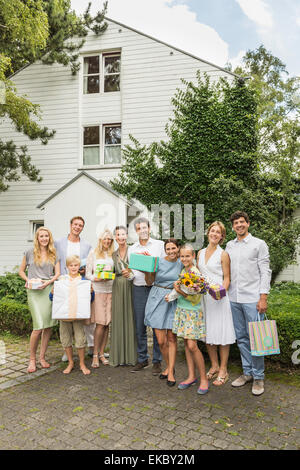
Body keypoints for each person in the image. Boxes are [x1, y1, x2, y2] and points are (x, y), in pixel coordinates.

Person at [226, 211, 271, 396]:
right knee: (242, 338)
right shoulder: (229, 245)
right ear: (233, 227)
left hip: (252, 299)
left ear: (248, 223)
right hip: (233, 299)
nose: (239, 225)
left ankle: (259, 377)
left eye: (242, 222)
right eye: (236, 223)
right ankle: (248, 373)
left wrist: (263, 297)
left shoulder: (259, 244)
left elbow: (265, 271)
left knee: (257, 339)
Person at [123, 217, 165, 374]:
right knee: (140, 325)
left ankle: (157, 361)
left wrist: (151, 265)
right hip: (139, 288)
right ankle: (142, 359)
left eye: (145, 227)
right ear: (136, 231)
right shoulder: (132, 248)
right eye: (139, 228)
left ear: (149, 228)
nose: (143, 230)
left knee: (155, 325)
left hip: (155, 288)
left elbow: (163, 266)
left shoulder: (159, 245)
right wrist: (128, 274)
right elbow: (132, 272)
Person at [197, 221, 236, 386]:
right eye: (212, 231)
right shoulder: (199, 252)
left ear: (222, 237)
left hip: (219, 298)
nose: (214, 234)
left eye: (218, 232)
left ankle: (223, 370)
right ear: (208, 233)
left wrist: (221, 292)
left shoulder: (223, 254)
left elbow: (227, 277)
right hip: (204, 298)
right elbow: (198, 275)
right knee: (208, 334)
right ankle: (214, 365)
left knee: (222, 333)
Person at [19, 227, 60, 373]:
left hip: (47, 289)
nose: (44, 238)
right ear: (37, 238)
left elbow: (58, 273)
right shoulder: (30, 252)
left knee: (48, 326)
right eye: (41, 236)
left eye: (46, 236)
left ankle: (42, 357)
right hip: (34, 291)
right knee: (38, 326)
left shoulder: (54, 253)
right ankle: (32, 359)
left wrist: (48, 283)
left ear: (49, 238)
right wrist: (28, 280)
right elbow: (21, 271)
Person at [170, 244, 208, 395]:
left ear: (193, 256)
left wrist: (179, 290)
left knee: (192, 345)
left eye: (187, 256)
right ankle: (191, 376)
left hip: (192, 311)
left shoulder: (194, 272)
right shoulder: (183, 270)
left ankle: (203, 378)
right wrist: (174, 293)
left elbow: (195, 297)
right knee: (186, 343)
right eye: (182, 256)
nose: (184, 258)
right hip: (182, 309)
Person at [144, 239, 182, 386]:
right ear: (165, 250)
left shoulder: (182, 263)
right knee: (161, 340)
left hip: (173, 300)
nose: (171, 251)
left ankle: (170, 371)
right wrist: (148, 271)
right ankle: (168, 365)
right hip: (157, 299)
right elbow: (149, 282)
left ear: (178, 248)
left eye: (173, 248)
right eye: (168, 249)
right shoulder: (157, 262)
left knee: (172, 338)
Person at [54, 216, 92, 361]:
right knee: (64, 317)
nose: (77, 227)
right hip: (64, 282)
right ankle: (67, 351)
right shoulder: (59, 243)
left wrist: (83, 272)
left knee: (78, 318)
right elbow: (55, 261)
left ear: (82, 228)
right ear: (70, 225)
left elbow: (89, 263)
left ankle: (87, 347)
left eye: (80, 225)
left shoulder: (87, 245)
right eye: (75, 224)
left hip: (78, 283)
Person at [50, 255, 92, 375]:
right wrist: (53, 293)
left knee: (80, 339)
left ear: (79, 267)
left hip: (78, 315)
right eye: (71, 265)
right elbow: (52, 298)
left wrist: (91, 292)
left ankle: (82, 363)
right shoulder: (62, 280)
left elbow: (89, 300)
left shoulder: (84, 281)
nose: (73, 267)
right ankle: (70, 362)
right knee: (66, 339)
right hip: (64, 315)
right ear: (67, 267)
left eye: (76, 265)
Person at [86, 229, 114, 368]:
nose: (107, 241)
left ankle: (102, 353)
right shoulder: (93, 253)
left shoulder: (112, 254)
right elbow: (87, 274)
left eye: (109, 239)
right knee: (100, 324)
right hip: (98, 291)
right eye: (105, 238)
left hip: (111, 291)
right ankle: (95, 355)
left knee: (107, 323)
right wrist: (95, 278)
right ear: (100, 240)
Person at [110, 226, 137, 367]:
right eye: (118, 234)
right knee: (119, 318)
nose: (120, 237)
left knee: (131, 317)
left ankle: (132, 357)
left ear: (127, 235)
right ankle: (118, 357)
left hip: (131, 285)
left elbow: (138, 268)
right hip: (117, 286)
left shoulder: (133, 250)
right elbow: (110, 272)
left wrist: (131, 272)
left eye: (123, 234)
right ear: (115, 237)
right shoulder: (113, 254)